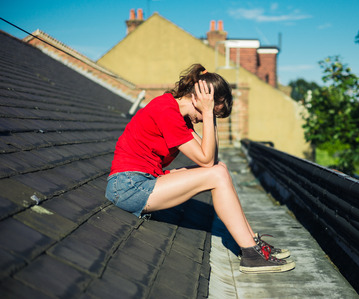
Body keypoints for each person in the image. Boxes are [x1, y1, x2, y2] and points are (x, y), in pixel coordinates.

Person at [105, 64, 294, 273]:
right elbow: (206, 161)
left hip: (145, 179)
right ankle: (251, 253)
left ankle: (252, 243)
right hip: (128, 187)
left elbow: (212, 159)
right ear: (198, 99)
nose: (206, 119)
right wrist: (208, 111)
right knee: (217, 173)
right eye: (210, 114)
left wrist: (209, 115)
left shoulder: (177, 115)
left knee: (220, 169)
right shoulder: (166, 111)